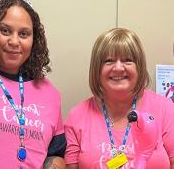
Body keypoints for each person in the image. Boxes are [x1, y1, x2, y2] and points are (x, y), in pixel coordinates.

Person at [64, 28, 174, 168]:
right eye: (108, 61)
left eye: (128, 60)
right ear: (97, 69)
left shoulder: (165, 109)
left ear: (139, 67)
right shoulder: (77, 115)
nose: (118, 68)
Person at [0, 0, 66, 168]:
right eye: (5, 30)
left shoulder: (50, 93)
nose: (14, 41)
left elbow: (56, 155)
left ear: (35, 39)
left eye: (24, 34)